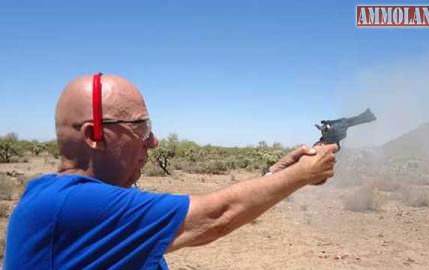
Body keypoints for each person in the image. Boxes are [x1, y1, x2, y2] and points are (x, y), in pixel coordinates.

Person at [4, 74, 337, 269]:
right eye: (141, 127)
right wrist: (301, 174)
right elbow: (216, 217)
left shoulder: (67, 200)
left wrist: (274, 177)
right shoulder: (71, 206)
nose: (153, 141)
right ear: (95, 136)